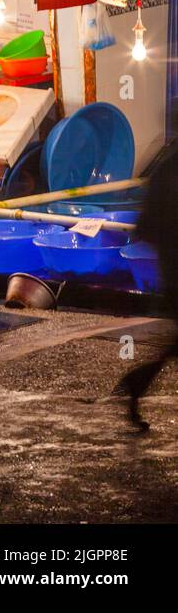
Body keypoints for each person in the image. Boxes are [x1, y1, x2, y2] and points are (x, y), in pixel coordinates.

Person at [118, 121, 178, 432]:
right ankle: (138, 381)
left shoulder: (166, 166)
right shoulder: (171, 170)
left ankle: (138, 381)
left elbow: (146, 226)